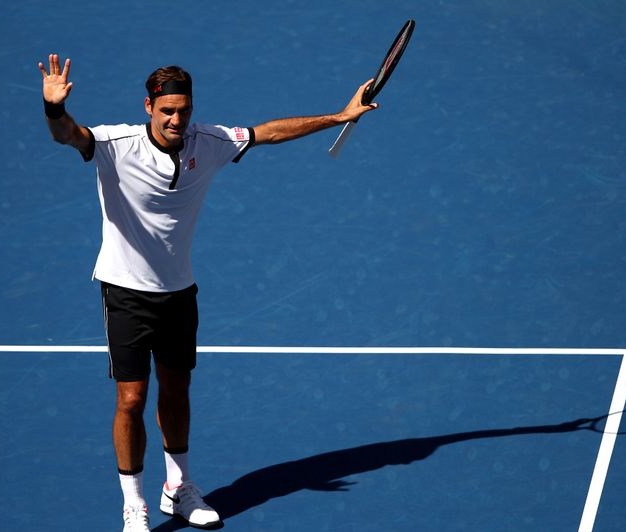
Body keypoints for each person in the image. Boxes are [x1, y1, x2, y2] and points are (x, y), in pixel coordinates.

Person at [38, 53, 377, 531]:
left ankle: (178, 487)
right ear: (148, 108)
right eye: (167, 111)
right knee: (131, 400)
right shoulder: (117, 144)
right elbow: (69, 135)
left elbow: (269, 132)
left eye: (184, 110)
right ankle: (132, 502)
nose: (177, 119)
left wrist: (338, 116)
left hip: (179, 291)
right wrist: (54, 108)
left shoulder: (209, 142)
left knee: (177, 391)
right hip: (126, 291)